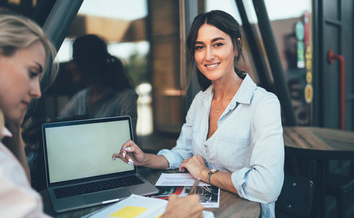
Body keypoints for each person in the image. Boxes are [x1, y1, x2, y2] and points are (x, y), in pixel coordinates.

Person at [0, 13, 203, 218]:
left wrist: (15, 126)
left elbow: (22, 193)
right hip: (80, 173)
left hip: (115, 169)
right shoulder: (81, 97)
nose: (37, 92)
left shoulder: (123, 96)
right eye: (32, 73)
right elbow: (59, 129)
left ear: (89, 64)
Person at [113, 10, 284, 218]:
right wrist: (145, 159)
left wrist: (205, 173)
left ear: (236, 46)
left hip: (244, 213)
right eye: (200, 47)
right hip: (201, 209)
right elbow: (183, 153)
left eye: (218, 44)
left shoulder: (263, 104)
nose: (208, 55)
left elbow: (266, 187)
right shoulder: (201, 101)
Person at [58, 34, 138, 131]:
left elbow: (128, 140)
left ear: (90, 63)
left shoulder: (125, 97)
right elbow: (59, 125)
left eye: (75, 60)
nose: (70, 67)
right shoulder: (80, 97)